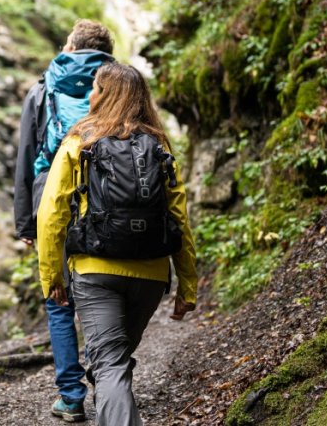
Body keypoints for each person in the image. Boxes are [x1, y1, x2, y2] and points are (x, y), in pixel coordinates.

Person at [37, 63, 198, 426]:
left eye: (95, 88)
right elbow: (179, 218)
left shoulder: (80, 141)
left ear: (106, 95)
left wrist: (52, 277)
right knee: (114, 359)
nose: (89, 94)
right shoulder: (158, 144)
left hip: (95, 271)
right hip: (151, 274)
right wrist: (187, 284)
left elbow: (51, 214)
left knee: (109, 364)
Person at [14, 19, 114, 422]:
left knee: (58, 301)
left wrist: (25, 222)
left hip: (48, 197)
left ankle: (71, 397)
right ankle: (106, 379)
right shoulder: (119, 86)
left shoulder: (44, 87)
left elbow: (27, 154)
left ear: (70, 46)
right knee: (102, 289)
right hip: (104, 195)